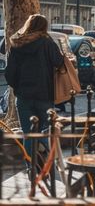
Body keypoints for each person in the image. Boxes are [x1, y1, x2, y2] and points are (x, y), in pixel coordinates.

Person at [5, 14, 64, 157]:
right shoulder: (47, 43)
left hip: (23, 96)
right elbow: (59, 62)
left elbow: (9, 74)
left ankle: (30, 168)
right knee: (46, 131)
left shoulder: (16, 44)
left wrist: (18, 88)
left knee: (28, 134)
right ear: (44, 27)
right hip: (44, 95)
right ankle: (54, 160)